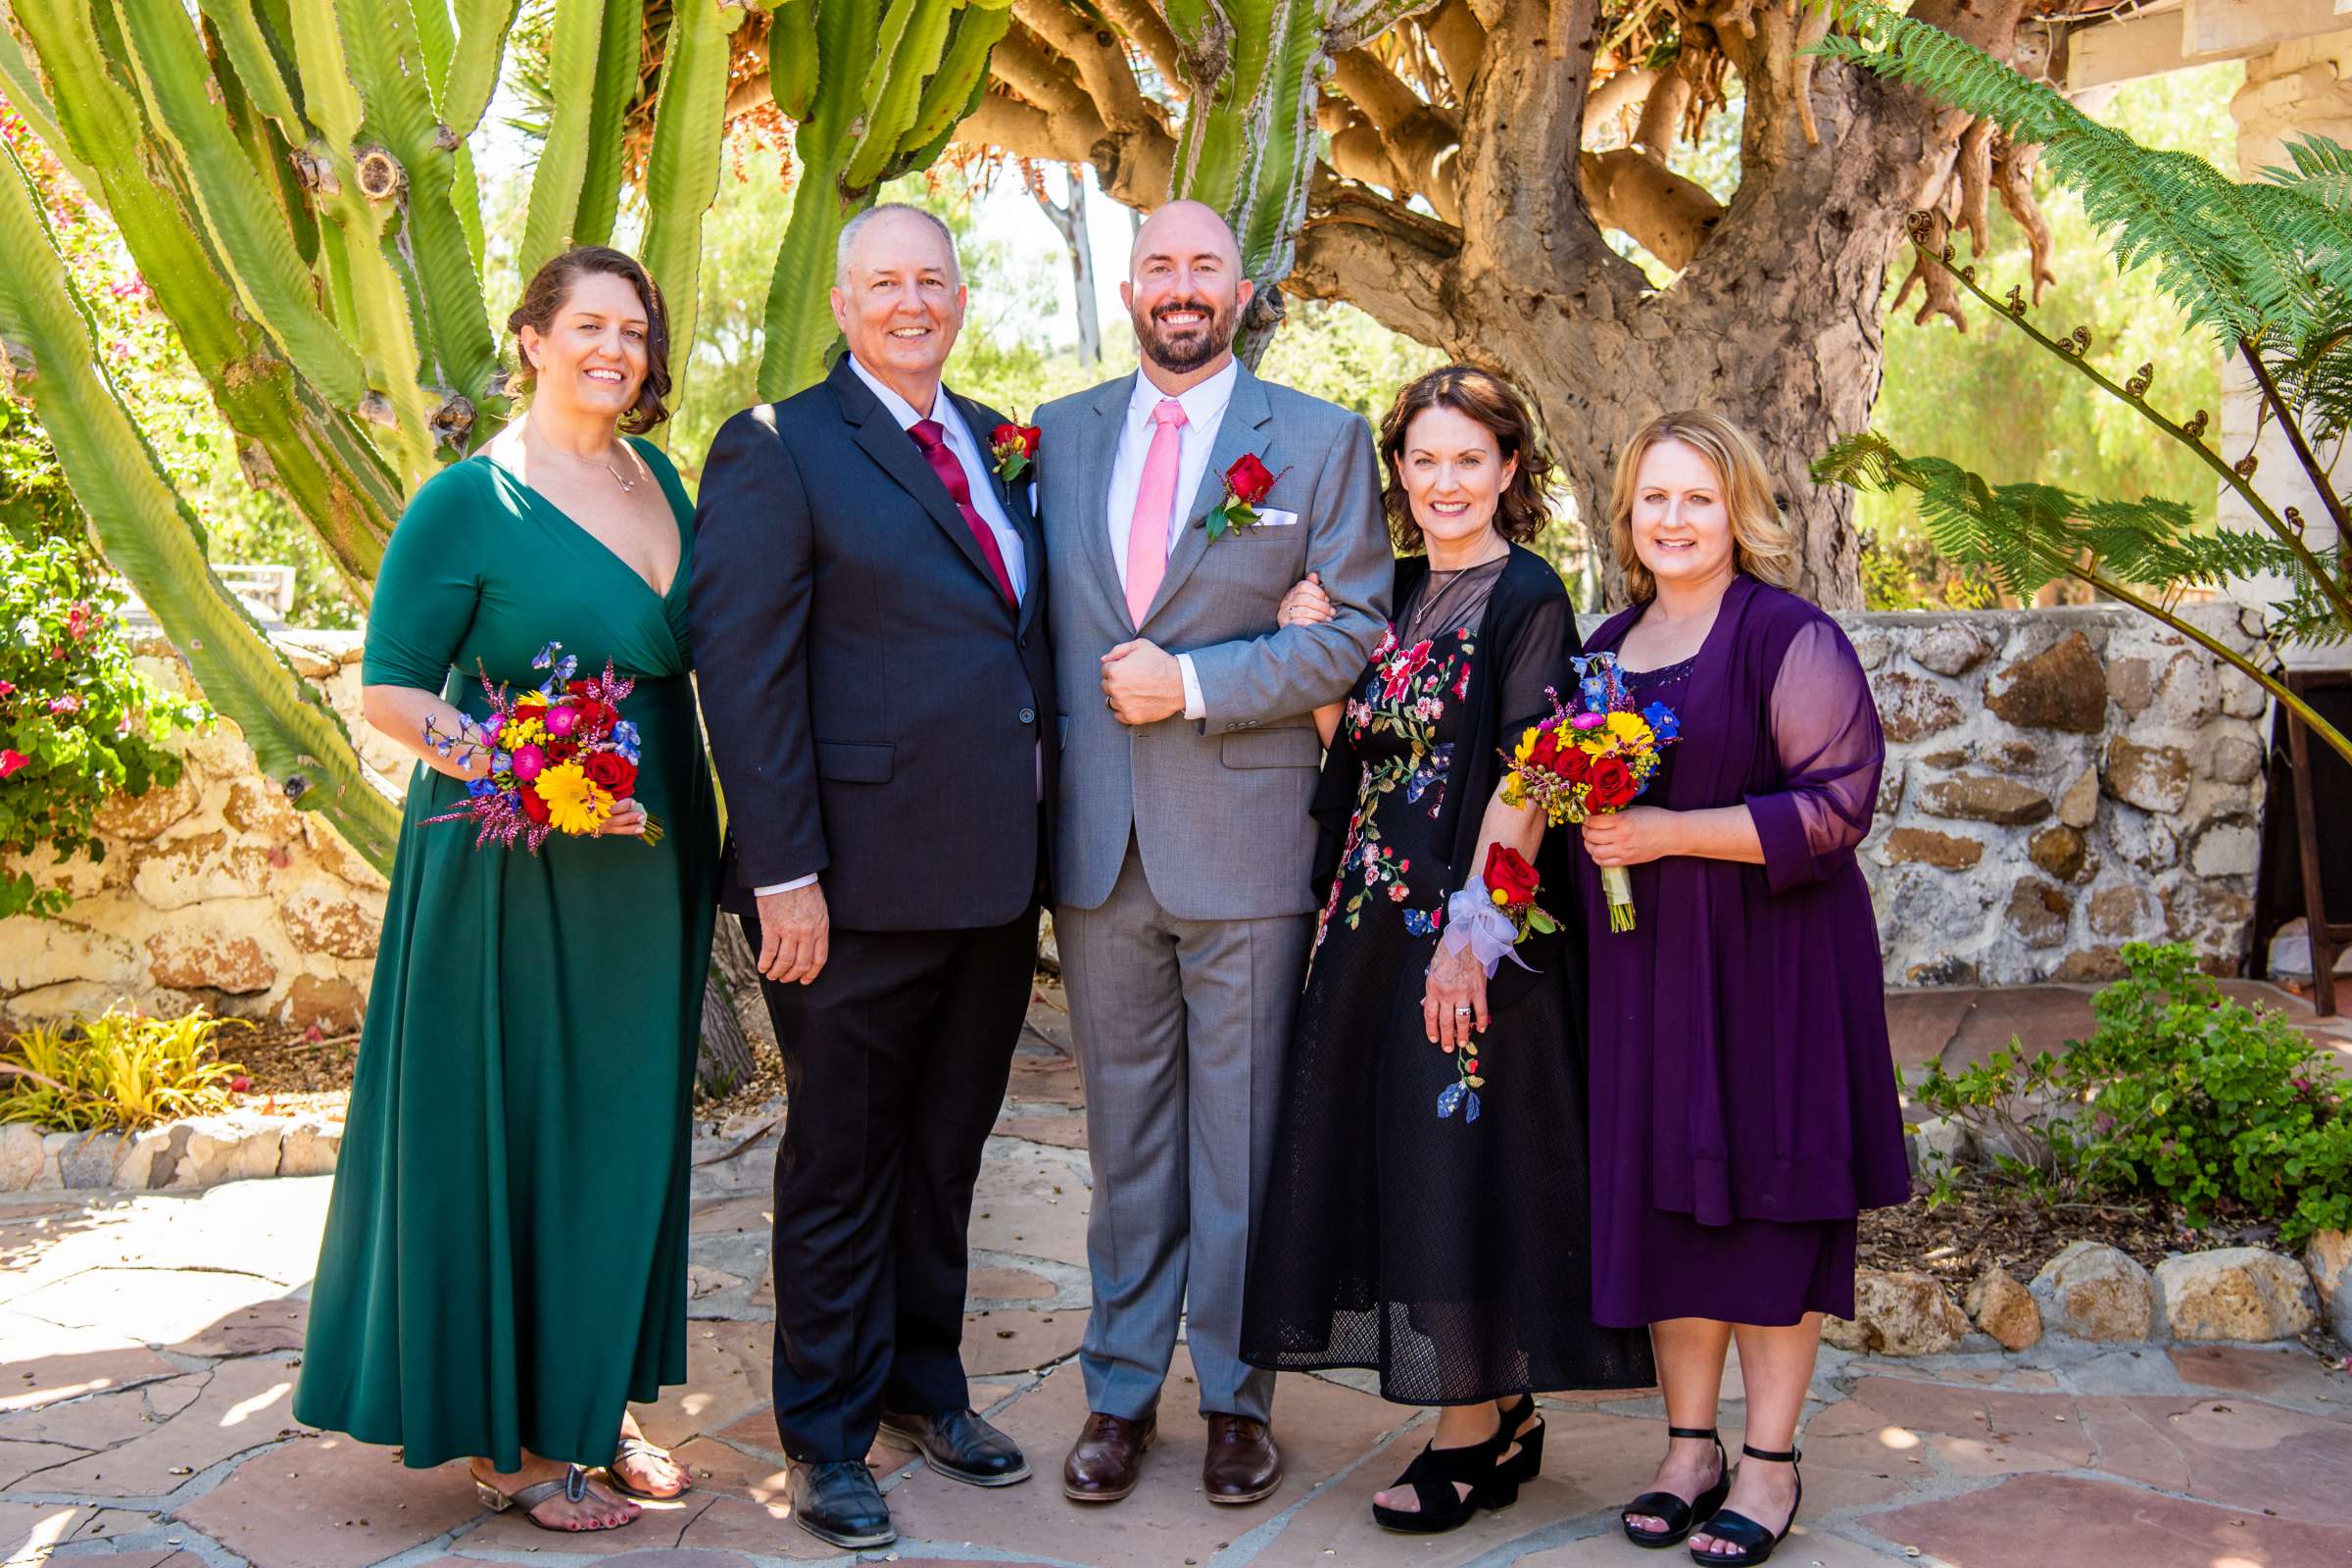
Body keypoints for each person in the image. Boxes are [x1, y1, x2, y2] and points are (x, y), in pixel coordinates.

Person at [295, 246, 718, 1534]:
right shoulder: (464, 503)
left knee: (625, 1126)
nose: (614, 349)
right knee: (522, 1122)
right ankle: (519, 1444)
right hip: (512, 867)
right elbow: (391, 690)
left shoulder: (660, 478)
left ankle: (596, 1400)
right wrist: (539, 777)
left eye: (633, 331)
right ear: (531, 339)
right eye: (587, 325)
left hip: (653, 860)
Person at [687, 205, 1055, 1552]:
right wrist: (783, 870)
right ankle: (825, 1437)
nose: (912, 302)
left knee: (944, 1156)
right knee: (843, 1164)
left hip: (994, 882)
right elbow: (746, 669)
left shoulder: (1001, 444)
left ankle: (924, 1384)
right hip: (841, 888)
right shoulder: (779, 446)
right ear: (843, 305)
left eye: (932, 281)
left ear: (962, 297)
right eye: (884, 283)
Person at [1239, 366, 1655, 1533]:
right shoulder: (1397, 585)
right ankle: (1507, 1414)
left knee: (1452, 1165)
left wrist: (1471, 941)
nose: (1444, 482)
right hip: (1367, 927)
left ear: (1509, 470)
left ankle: (1465, 1429)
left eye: (1469, 459)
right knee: (1402, 1162)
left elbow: (1529, 778)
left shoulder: (1528, 597)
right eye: (1423, 460)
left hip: (1465, 932)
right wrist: (1313, 647)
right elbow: (1365, 749)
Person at [1034, 200, 1393, 1509]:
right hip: (1096, 845)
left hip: (1245, 836)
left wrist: (1192, 681)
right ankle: (1120, 1393)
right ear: (1130, 288)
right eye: (1160, 267)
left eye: (1205, 267)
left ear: (1243, 289)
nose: (1181, 288)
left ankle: (1240, 1394)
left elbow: (1356, 627)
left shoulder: (1318, 438)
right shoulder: (1059, 438)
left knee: (1242, 1141)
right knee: (1128, 1143)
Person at [1576, 412, 1908, 1566]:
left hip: (1775, 971)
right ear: (1627, 515)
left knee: (1770, 1203)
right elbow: (1575, 802)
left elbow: (1837, 805)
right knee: (1670, 1203)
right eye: (1653, 498)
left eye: (1697, 498)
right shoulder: (1605, 647)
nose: (1673, 519)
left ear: (1741, 512)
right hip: (1649, 973)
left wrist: (1667, 833)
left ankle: (1769, 1462)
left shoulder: (1788, 636)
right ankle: (1688, 1448)